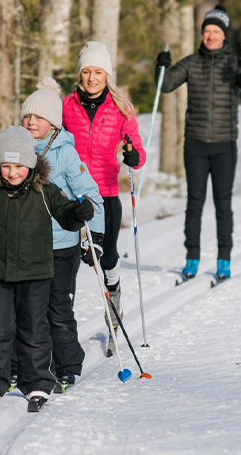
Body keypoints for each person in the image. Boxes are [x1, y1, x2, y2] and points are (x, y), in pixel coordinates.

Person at [0, 126, 94, 413]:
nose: (12, 173)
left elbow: (66, 215)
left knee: (34, 328)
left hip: (36, 273)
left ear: (31, 164)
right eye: (6, 166)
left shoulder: (45, 191)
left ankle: (37, 381)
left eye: (19, 166)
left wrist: (78, 213)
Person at [0, 78, 106, 392]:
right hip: (23, 248)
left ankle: (65, 366)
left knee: (56, 308)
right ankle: (16, 367)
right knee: (20, 312)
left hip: (60, 245)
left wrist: (94, 237)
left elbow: (91, 196)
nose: (31, 121)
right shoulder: (13, 146)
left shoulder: (65, 155)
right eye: (27, 116)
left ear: (54, 123)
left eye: (39, 117)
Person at [155, 5, 241, 282]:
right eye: (207, 31)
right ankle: (192, 257)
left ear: (224, 35)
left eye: (216, 31)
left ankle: (224, 259)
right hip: (196, 145)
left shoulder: (233, 64)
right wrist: (161, 66)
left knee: (223, 203)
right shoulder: (192, 62)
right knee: (195, 202)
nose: (211, 36)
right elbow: (165, 85)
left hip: (225, 145)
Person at [62, 41, 146, 320]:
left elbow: (138, 151)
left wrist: (134, 156)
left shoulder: (121, 108)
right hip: (71, 195)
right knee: (68, 260)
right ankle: (62, 317)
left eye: (98, 72)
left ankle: (114, 297)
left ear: (106, 74)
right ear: (80, 73)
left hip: (105, 194)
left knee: (107, 257)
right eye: (87, 71)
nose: (92, 78)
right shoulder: (65, 107)